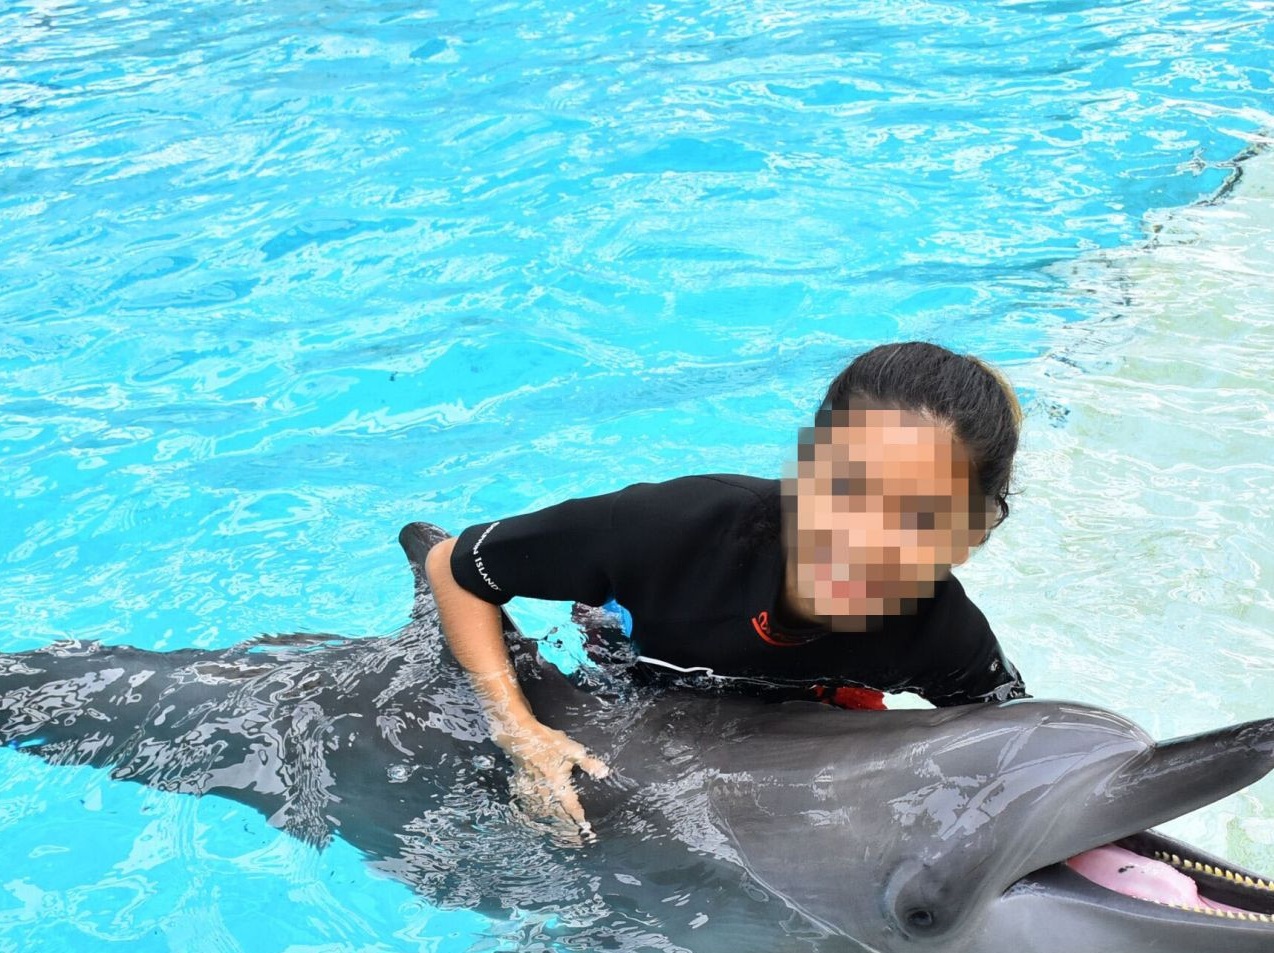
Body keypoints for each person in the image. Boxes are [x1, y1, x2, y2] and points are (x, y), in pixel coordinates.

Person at [427, 340, 1027, 839]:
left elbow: (1024, 758)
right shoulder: (672, 529)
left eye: (918, 518)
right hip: (626, 683)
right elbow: (452, 564)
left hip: (789, 740)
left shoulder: (942, 637)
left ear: (969, 534)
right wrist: (517, 727)